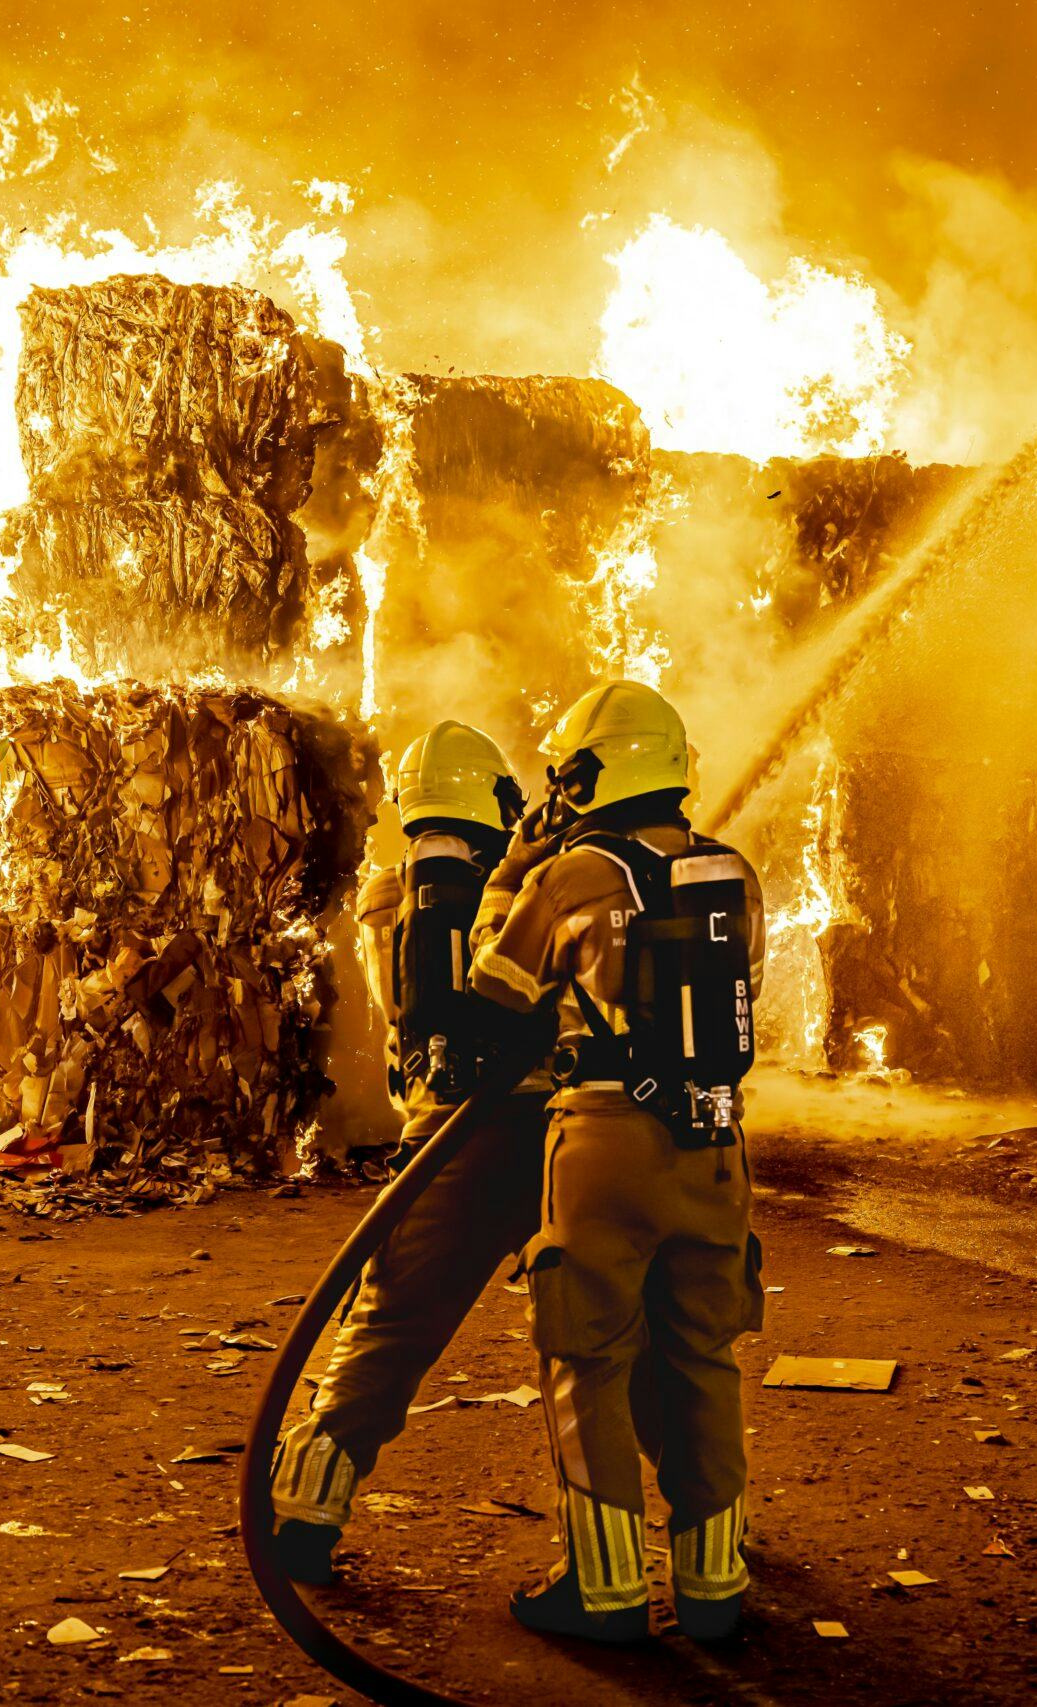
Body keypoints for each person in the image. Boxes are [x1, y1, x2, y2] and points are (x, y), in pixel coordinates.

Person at [471, 680, 767, 1643]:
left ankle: (604, 1593)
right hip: (715, 1143)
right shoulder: (732, 872)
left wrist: (513, 870)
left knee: (589, 1358)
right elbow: (746, 992)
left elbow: (496, 985)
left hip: (604, 1139)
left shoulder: (571, 875)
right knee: (704, 1357)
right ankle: (715, 1586)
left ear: (585, 778)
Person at [266, 720, 551, 1584]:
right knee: (609, 1339)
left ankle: (303, 1511)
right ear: (495, 800)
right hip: (546, 1129)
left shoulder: (390, 894)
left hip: (440, 1138)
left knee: (387, 1324)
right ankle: (691, 1530)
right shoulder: (508, 884)